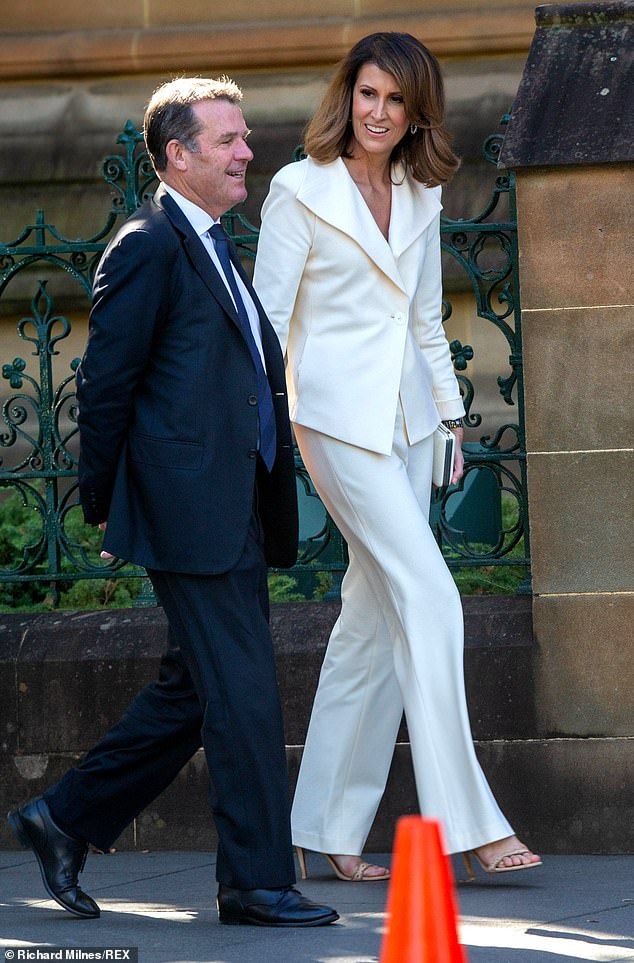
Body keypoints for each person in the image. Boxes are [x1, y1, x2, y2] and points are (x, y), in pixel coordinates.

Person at [7, 76, 338, 928]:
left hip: (234, 505)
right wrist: (106, 504)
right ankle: (255, 882)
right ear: (177, 155)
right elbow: (106, 385)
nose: (246, 151)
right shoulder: (146, 245)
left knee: (195, 689)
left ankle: (63, 817)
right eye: (228, 140)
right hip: (190, 510)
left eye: (244, 136)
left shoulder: (215, 241)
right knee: (245, 694)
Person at [253, 32, 542, 883]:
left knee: (371, 621)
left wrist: (451, 418)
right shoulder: (298, 190)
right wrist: (260, 434)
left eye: (396, 100)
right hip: (336, 425)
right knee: (432, 597)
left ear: (418, 113)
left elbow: (423, 320)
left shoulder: (421, 192)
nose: (378, 113)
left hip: (413, 423)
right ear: (348, 96)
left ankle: (324, 825)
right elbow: (267, 322)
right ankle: (469, 821)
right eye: (368, 94)